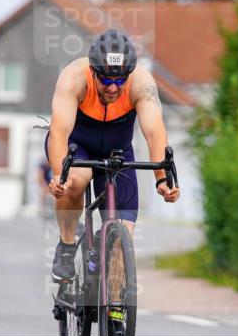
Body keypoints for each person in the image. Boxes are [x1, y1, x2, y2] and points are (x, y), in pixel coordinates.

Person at [46, 29, 181, 284]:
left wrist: (162, 179)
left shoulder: (142, 82)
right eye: (105, 80)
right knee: (76, 179)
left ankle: (116, 314)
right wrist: (58, 174)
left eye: (119, 81)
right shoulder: (74, 77)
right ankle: (66, 245)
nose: (112, 87)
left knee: (122, 242)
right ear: (94, 71)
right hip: (77, 147)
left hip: (118, 151)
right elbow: (60, 132)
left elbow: (154, 132)